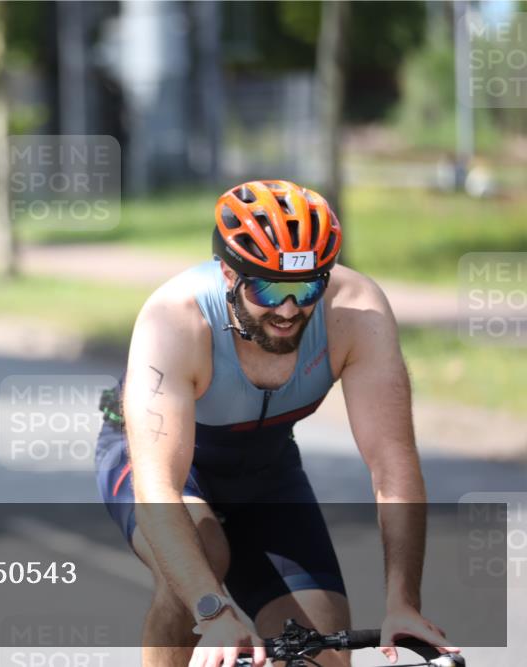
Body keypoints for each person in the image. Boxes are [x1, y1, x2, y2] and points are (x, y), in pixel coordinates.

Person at [94, 180, 459, 667]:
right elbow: (158, 486)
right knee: (205, 555)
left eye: (307, 287)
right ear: (229, 272)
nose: (289, 309)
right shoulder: (175, 320)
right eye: (268, 288)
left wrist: (403, 603)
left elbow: (393, 466)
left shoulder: (357, 313)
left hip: (265, 469)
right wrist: (213, 609)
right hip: (158, 463)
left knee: (324, 650)